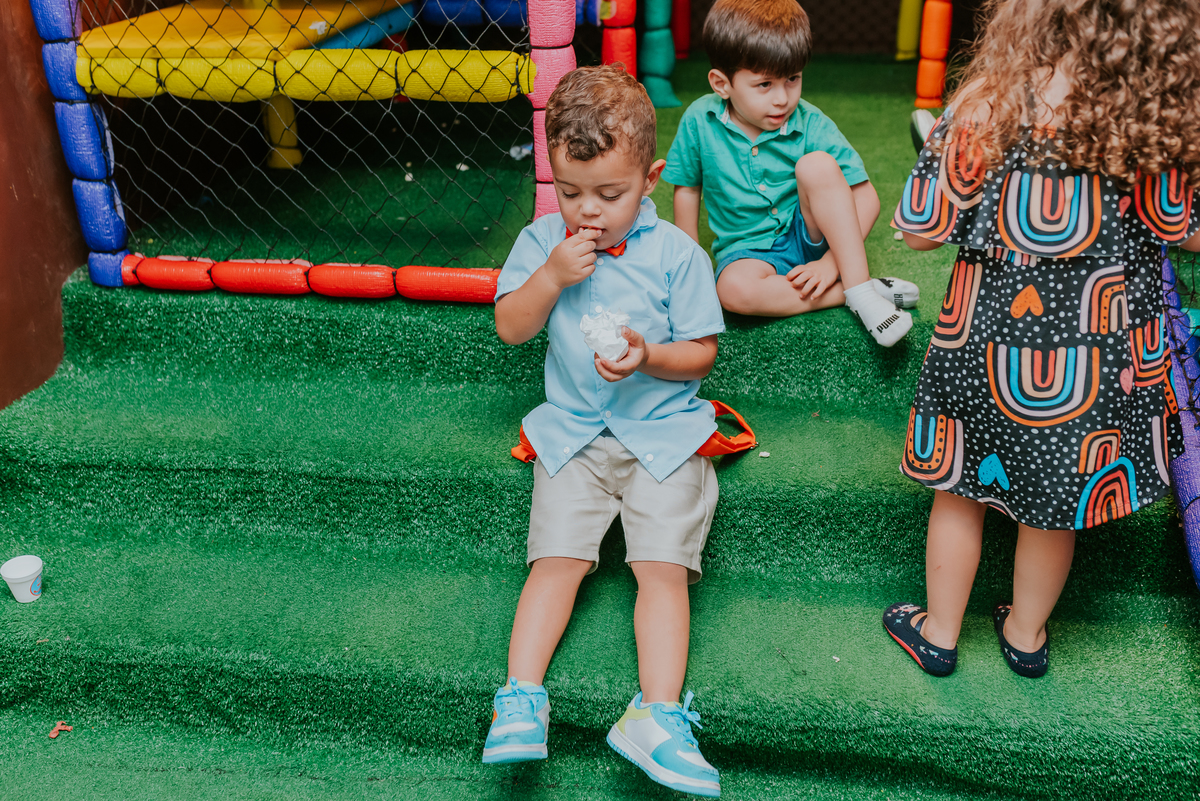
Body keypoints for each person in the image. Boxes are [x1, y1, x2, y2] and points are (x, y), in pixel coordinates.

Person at [884, 0, 1200, 678]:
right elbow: (1180, 229)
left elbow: (920, 228)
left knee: (958, 489)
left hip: (982, 342)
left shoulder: (987, 99)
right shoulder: (1154, 118)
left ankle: (938, 633)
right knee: (1056, 506)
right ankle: (1025, 635)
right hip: (1094, 358)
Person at [483, 65, 724, 798]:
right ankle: (521, 696)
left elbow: (702, 354)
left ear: (649, 177)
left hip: (662, 436)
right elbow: (510, 326)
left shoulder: (679, 255)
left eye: (609, 194)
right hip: (575, 440)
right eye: (571, 191)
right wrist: (551, 275)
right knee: (554, 560)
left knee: (661, 568)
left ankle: (656, 715)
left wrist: (649, 355)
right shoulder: (541, 242)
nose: (588, 211)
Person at [663, 0, 918, 347]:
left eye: (792, 79)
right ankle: (852, 292)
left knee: (816, 165)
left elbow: (866, 198)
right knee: (733, 292)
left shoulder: (810, 121)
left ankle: (857, 288)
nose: (783, 98)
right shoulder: (698, 121)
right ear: (722, 84)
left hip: (811, 236)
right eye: (765, 85)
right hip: (747, 251)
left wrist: (829, 263)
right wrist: (688, 270)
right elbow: (688, 190)